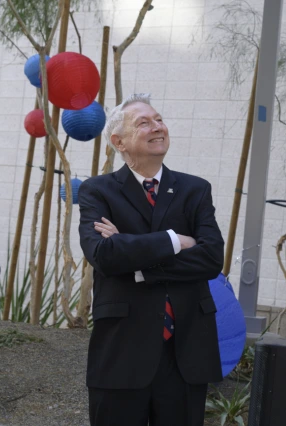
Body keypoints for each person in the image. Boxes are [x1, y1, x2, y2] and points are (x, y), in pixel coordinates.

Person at [78, 93, 224, 426]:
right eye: (144, 123)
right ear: (119, 142)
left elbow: (212, 259)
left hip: (186, 351)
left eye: (158, 119)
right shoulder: (98, 191)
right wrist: (174, 240)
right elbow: (103, 255)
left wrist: (139, 263)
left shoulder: (195, 190)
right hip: (122, 350)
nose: (157, 127)